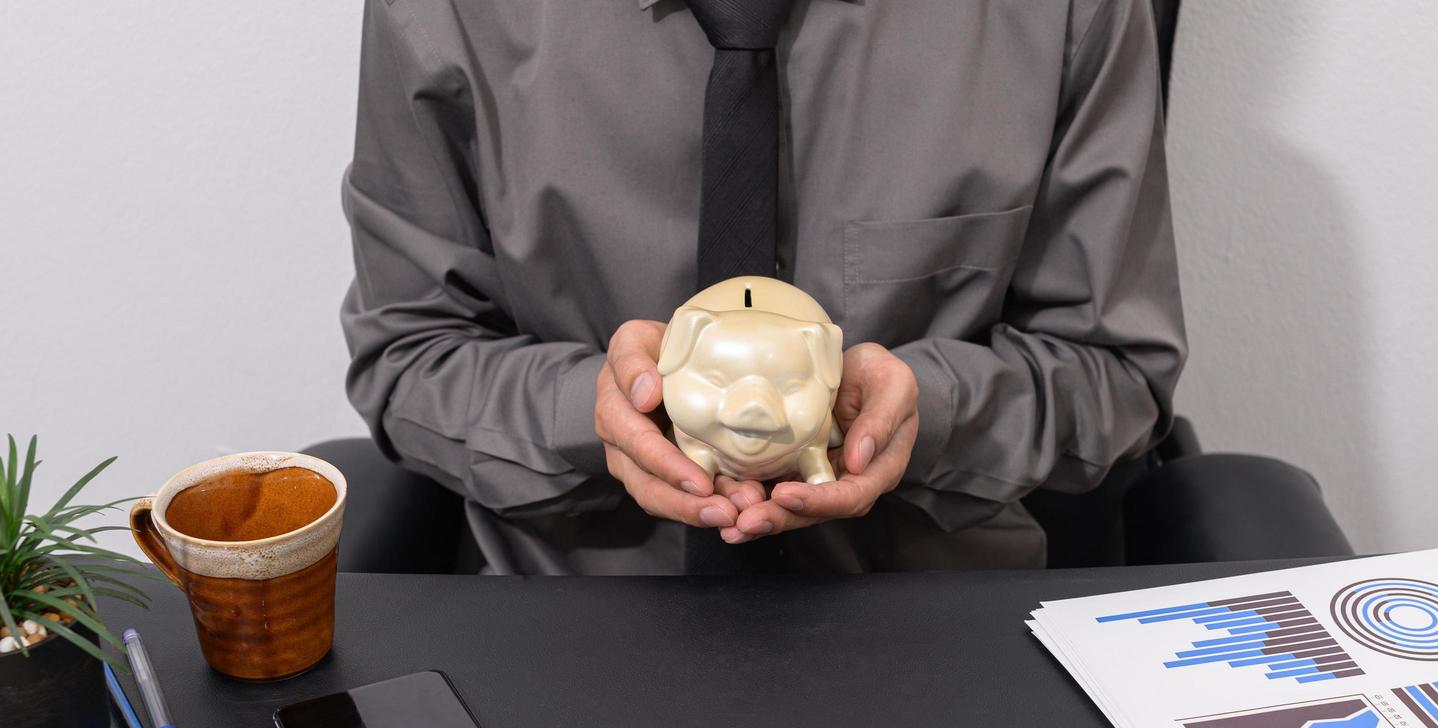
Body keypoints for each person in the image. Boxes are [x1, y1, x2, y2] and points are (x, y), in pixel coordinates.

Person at [341, 0, 1187, 574]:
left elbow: (1115, 370)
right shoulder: (446, 13)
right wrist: (584, 415)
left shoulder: (1061, 14)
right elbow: (408, 355)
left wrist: (927, 412)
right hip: (569, 607)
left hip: (933, 621)